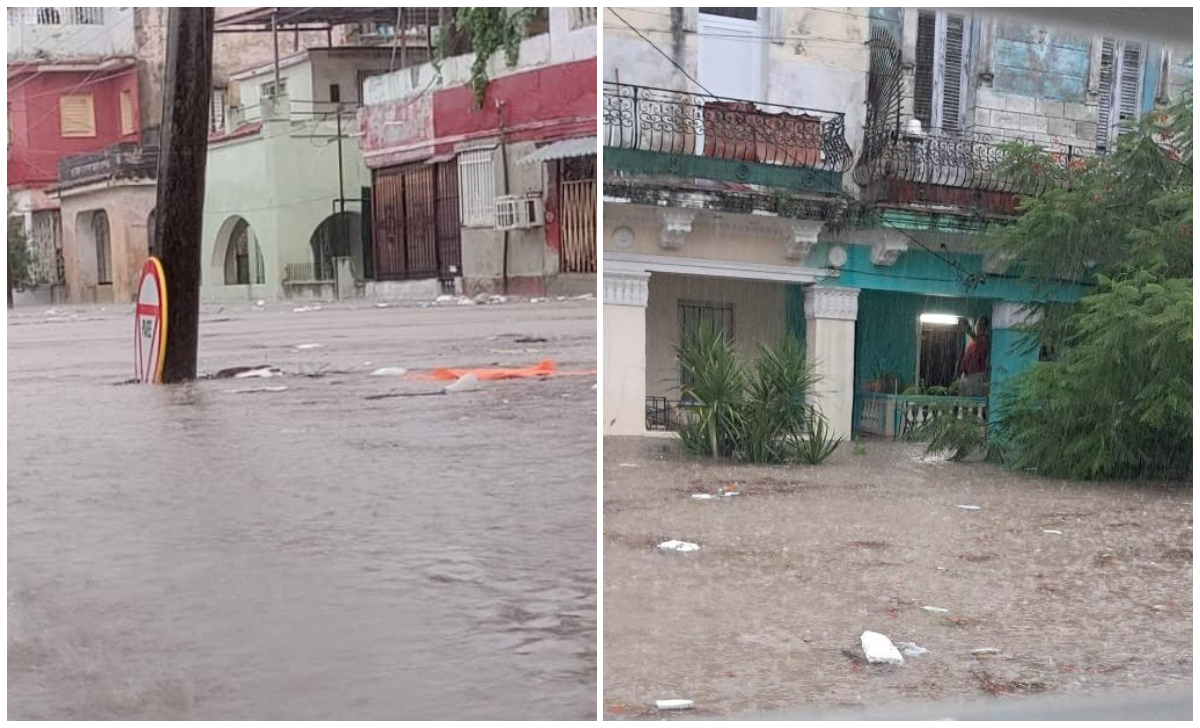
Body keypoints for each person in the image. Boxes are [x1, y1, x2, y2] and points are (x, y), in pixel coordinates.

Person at [959, 316, 990, 397]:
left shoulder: (985, 339)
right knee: (962, 404)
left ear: (986, 328)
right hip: (966, 376)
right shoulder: (972, 341)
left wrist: (969, 330)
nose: (980, 326)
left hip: (976, 377)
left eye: (982, 325)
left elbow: (978, 340)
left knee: (975, 404)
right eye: (978, 324)